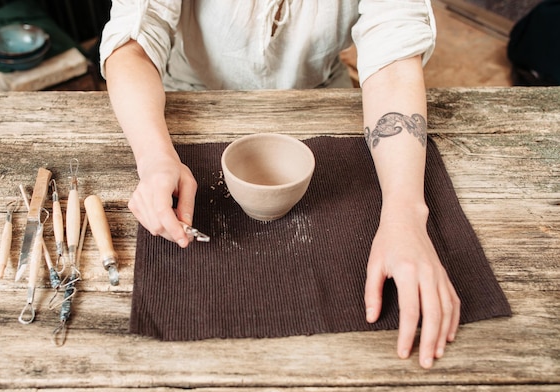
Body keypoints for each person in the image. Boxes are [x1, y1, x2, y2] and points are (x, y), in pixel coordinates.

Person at [100, 0, 460, 369]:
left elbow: (394, 66)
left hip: (320, 100)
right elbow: (132, 46)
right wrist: (155, 157)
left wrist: (406, 215)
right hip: (186, 101)